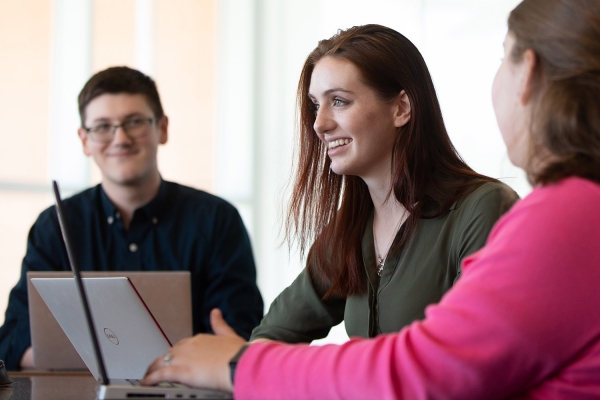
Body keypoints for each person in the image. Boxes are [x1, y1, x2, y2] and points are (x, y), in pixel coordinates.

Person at [143, 0, 600, 397]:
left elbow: (428, 372)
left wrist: (238, 366)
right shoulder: (351, 227)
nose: (319, 124)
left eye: (339, 101)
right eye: (315, 106)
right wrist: (246, 360)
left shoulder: (542, 214)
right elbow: (278, 333)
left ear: (529, 73)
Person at [0, 66, 264, 370]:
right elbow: (12, 340)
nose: (120, 138)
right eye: (102, 126)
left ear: (162, 128)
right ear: (84, 140)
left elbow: (239, 333)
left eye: (135, 122)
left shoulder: (217, 220)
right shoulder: (55, 225)